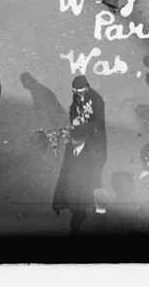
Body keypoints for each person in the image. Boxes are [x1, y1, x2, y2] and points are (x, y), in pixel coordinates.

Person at [51, 75, 107, 234]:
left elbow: (98, 123)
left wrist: (84, 125)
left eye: (81, 91)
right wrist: (74, 119)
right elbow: (71, 109)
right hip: (80, 139)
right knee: (72, 175)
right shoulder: (77, 95)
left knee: (90, 178)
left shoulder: (97, 100)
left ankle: (84, 212)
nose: (78, 94)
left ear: (87, 87)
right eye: (75, 91)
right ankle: (75, 206)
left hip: (94, 144)